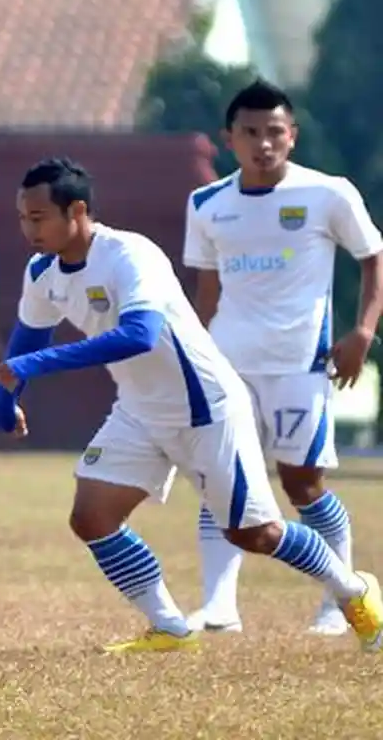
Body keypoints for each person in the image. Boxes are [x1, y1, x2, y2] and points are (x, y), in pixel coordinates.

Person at [0, 156, 383, 654]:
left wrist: (33, 367)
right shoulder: (42, 271)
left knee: (255, 533)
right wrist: (6, 397)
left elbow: (139, 334)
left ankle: (353, 590)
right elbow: (29, 336)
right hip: (139, 409)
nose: (28, 229)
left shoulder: (130, 254)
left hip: (206, 408)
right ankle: (168, 626)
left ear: (77, 211)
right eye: (23, 217)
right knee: (92, 517)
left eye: (38, 217)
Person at [182, 79, 383, 635]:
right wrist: (195, 356)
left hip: (300, 363)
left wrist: (362, 331)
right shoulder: (206, 204)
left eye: (274, 132)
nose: (262, 143)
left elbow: (372, 255)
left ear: (292, 136)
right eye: (250, 132)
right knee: (222, 478)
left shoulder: (328, 193)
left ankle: (340, 602)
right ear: (230, 139)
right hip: (229, 362)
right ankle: (219, 605)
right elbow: (207, 289)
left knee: (301, 483)